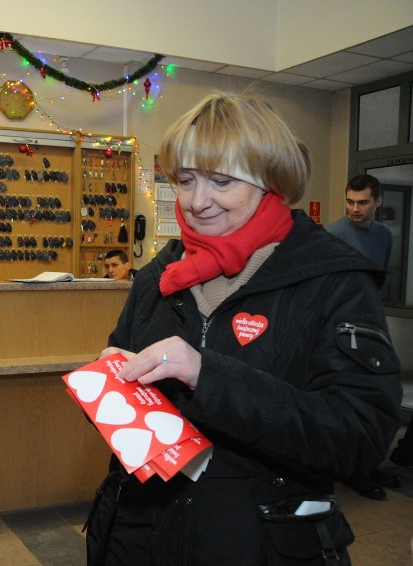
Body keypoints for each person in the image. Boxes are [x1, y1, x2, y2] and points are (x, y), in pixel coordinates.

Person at [84, 92, 401, 565]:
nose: (196, 202)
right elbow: (128, 400)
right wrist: (111, 389)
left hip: (262, 544)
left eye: (221, 181)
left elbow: (359, 437)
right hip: (141, 538)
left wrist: (206, 375)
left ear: (271, 182)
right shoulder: (158, 277)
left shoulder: (332, 280)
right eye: (186, 180)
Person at [325, 174, 397, 500]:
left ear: (378, 202)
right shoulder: (333, 234)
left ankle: (369, 462)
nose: (355, 208)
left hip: (372, 325)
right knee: (349, 400)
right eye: (350, 201)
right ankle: (353, 471)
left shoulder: (383, 236)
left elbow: (376, 280)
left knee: (379, 396)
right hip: (340, 329)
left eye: (363, 202)